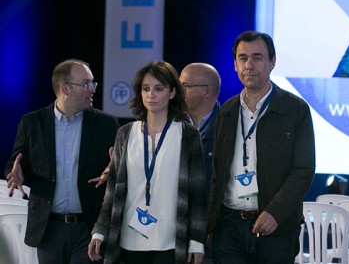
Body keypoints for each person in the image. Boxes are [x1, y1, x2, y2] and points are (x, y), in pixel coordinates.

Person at [206, 30, 315, 264]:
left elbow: (303, 170)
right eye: (242, 58)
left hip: (276, 228)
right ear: (235, 64)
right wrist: (211, 227)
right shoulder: (227, 111)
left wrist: (275, 212)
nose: (249, 65)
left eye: (257, 57)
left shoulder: (295, 109)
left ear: (272, 62)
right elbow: (218, 172)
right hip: (229, 228)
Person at [88, 61, 207, 264]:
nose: (151, 94)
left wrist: (196, 241)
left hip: (170, 239)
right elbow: (113, 190)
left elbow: (198, 194)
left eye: (158, 89)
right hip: (129, 239)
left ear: (171, 93)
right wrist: (99, 231)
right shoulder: (125, 134)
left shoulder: (188, 135)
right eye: (146, 88)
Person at [4, 59, 121, 264]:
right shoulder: (32, 122)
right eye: (86, 84)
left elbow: (119, 167)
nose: (92, 89)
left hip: (90, 227)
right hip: (49, 229)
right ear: (65, 88)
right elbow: (16, 162)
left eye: (92, 84)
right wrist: (16, 173)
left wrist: (115, 169)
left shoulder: (106, 124)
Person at [180, 62, 221, 264]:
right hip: (174, 232)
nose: (178, 91)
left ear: (206, 90)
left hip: (211, 234)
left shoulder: (228, 127)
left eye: (185, 86)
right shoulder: (171, 125)